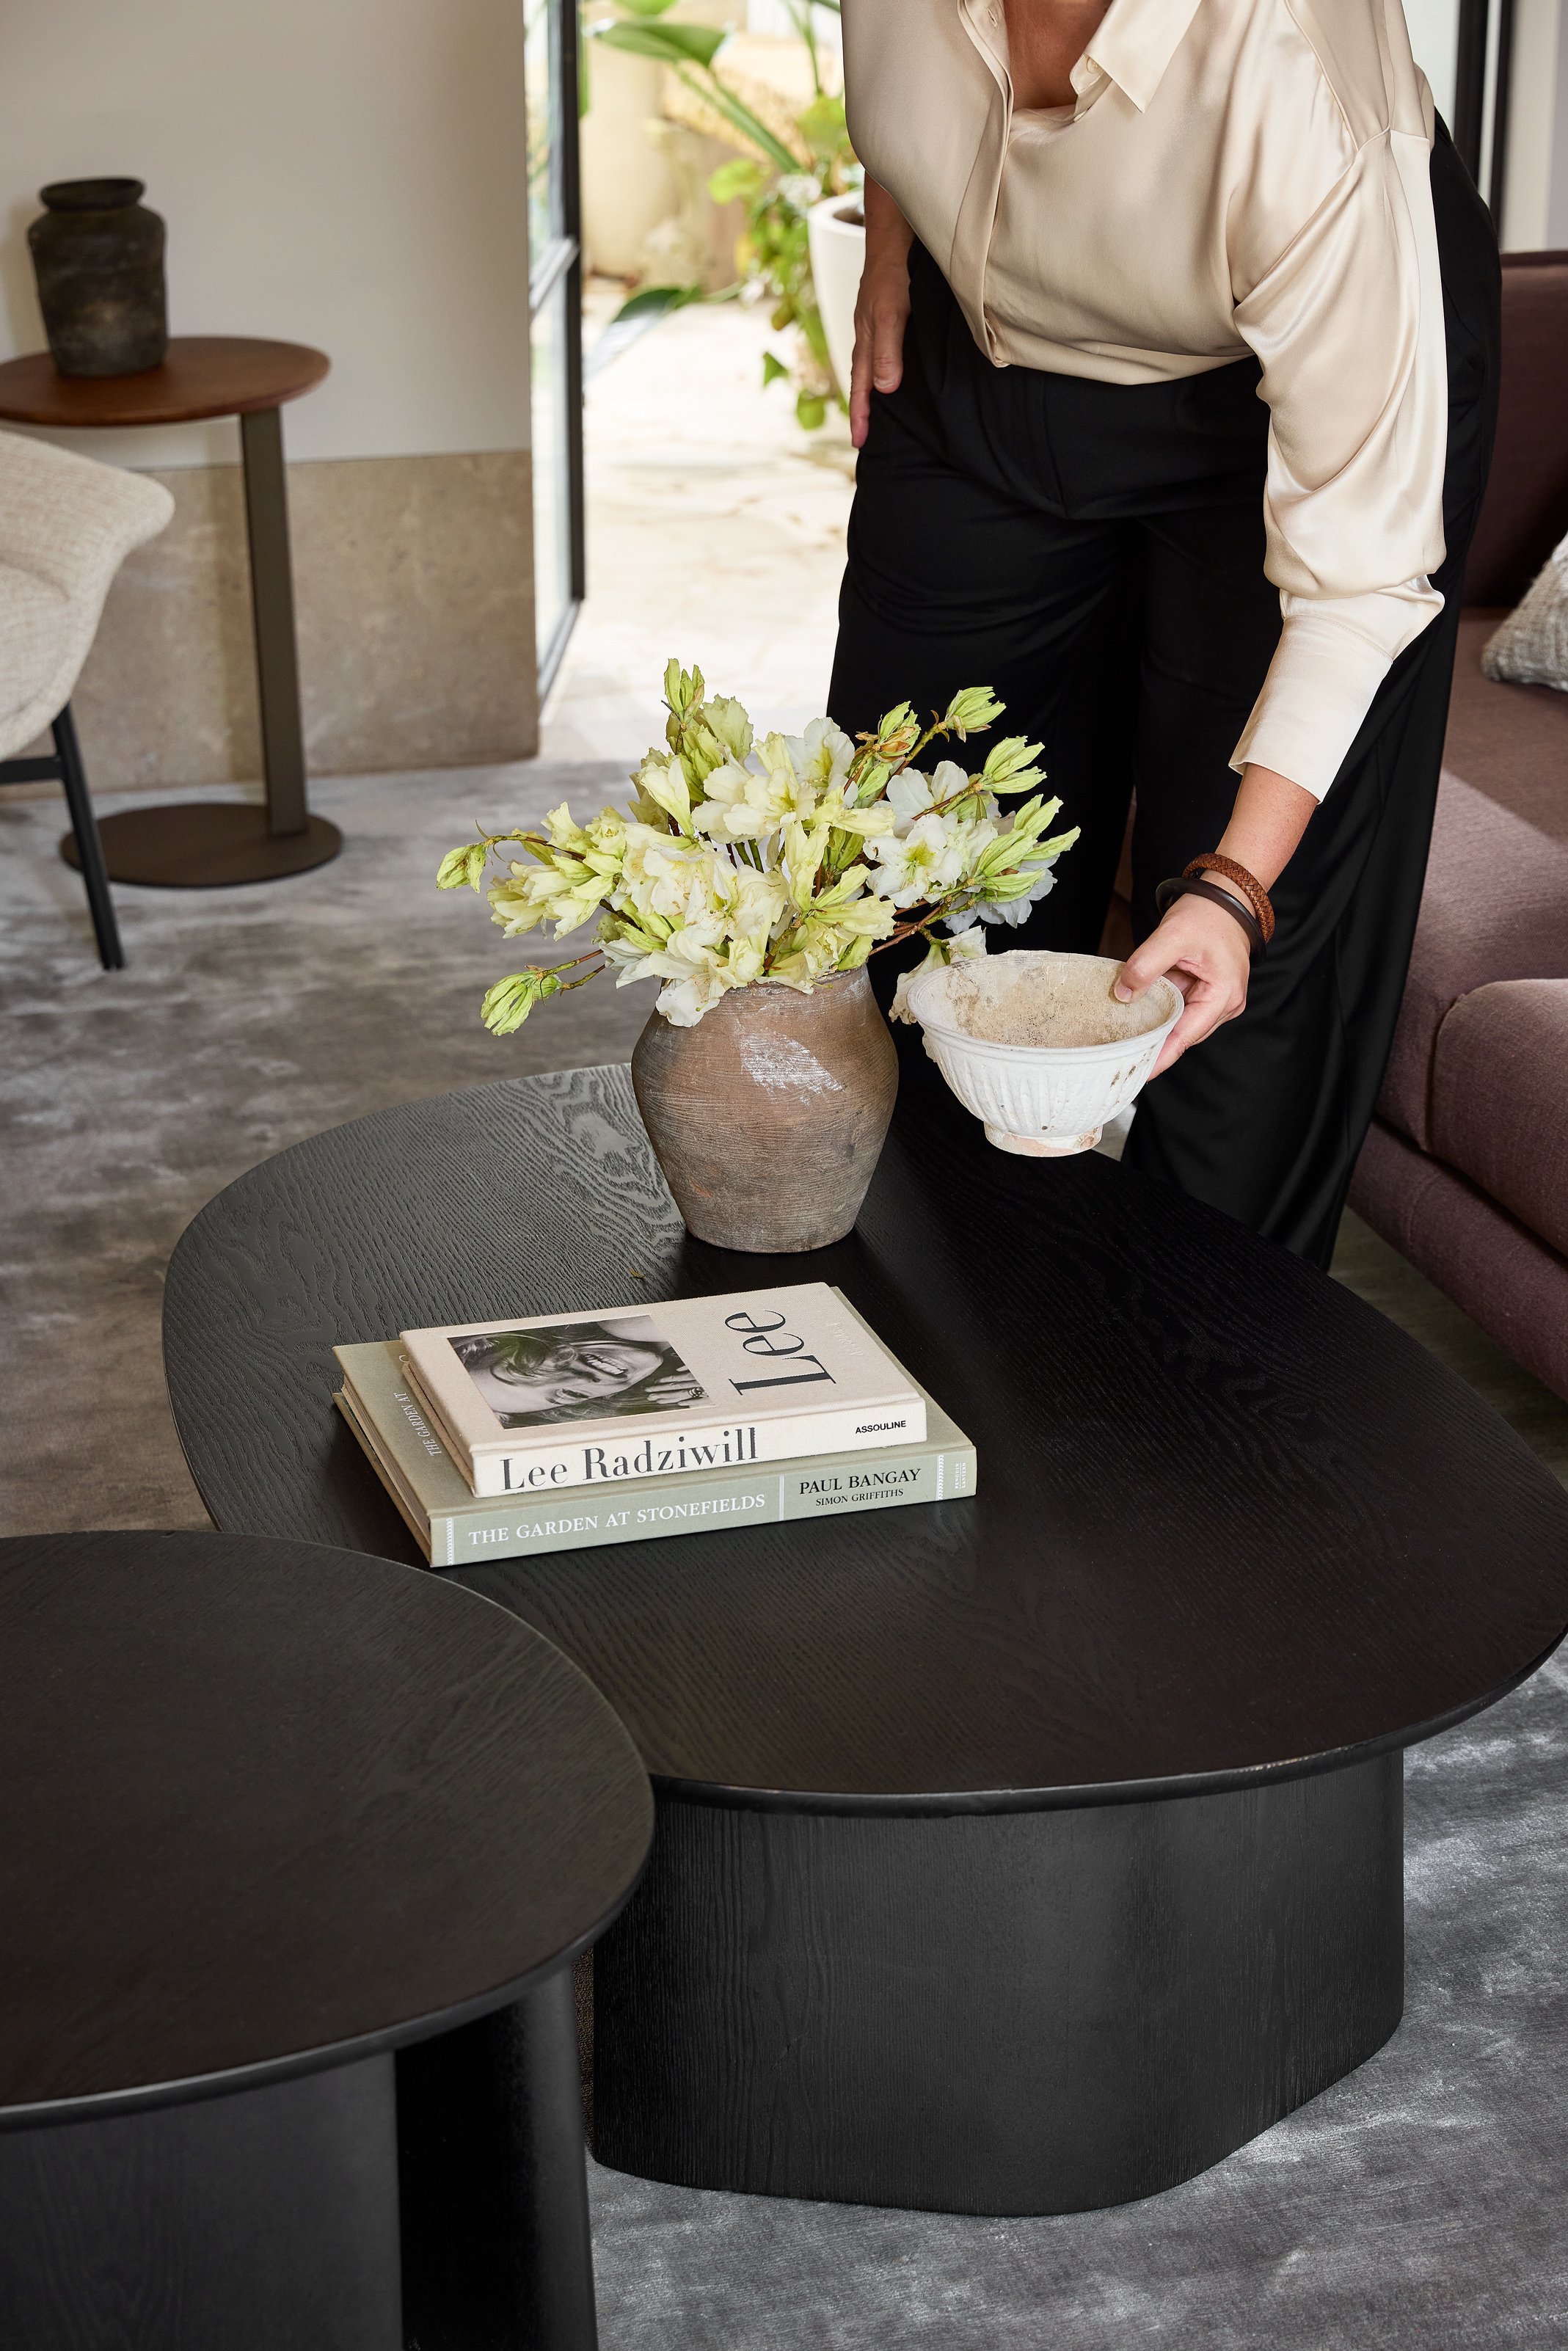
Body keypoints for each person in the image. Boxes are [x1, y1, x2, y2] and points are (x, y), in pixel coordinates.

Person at [831, 0, 1500, 1265]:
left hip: (1286, 380)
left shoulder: (1300, 81)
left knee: (1232, 974)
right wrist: (890, 250)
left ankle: (1192, 1363)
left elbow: (1356, 587)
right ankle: (928, 1302)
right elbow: (905, 87)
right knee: (918, 866)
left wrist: (1234, 888)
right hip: (987, 346)